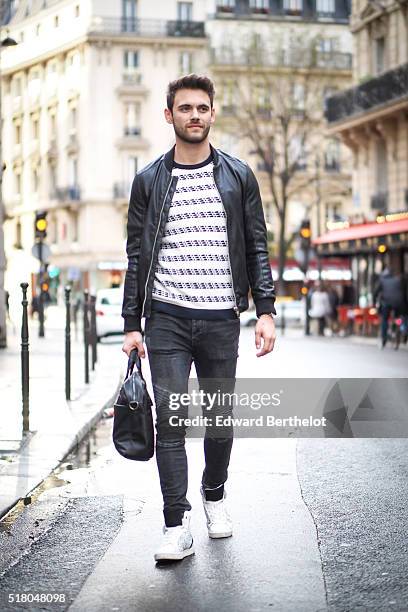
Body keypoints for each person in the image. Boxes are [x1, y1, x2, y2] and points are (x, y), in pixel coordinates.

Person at [121, 74, 276, 563]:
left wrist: (266, 311)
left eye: (202, 108)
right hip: (165, 317)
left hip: (220, 318)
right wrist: (132, 324)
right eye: (184, 108)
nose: (194, 115)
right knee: (170, 424)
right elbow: (135, 256)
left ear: (213, 114)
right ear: (169, 115)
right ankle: (175, 524)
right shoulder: (148, 180)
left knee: (219, 421)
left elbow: (256, 245)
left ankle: (214, 493)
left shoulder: (238, 176)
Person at [374, 267, 408, 348]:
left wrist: (374, 303)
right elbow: (403, 293)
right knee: (402, 317)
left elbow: (375, 293)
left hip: (387, 302)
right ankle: (404, 329)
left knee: (385, 319)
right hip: (400, 303)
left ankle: (384, 337)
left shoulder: (382, 281)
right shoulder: (397, 280)